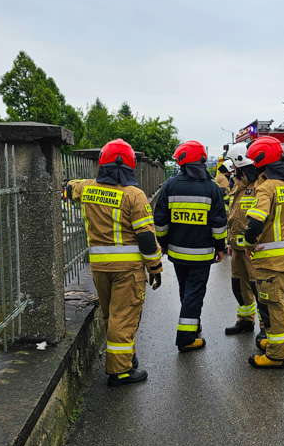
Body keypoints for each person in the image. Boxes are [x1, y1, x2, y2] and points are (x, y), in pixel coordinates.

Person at [70, 139, 162, 387]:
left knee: (113, 315)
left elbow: (69, 188)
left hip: (99, 267)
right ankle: (120, 371)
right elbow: (146, 238)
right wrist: (155, 268)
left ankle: (126, 357)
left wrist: (73, 185)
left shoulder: (87, 188)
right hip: (128, 270)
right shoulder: (134, 195)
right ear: (130, 165)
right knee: (125, 316)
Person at [241, 136, 284, 369]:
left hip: (269, 262)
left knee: (273, 306)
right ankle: (274, 344)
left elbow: (255, 224)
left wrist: (250, 244)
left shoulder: (266, 187)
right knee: (282, 304)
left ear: (262, 161)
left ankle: (277, 355)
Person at [153, 140, 228, 353]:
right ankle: (186, 338)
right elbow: (219, 224)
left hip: (177, 253)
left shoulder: (170, 185)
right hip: (202, 254)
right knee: (194, 292)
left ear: (183, 163)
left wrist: (164, 244)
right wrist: (220, 247)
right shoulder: (212, 189)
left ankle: (192, 322)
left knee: (186, 290)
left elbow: (160, 221)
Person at [223, 142, 269, 342]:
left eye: (234, 165)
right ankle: (245, 320)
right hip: (237, 248)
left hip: (254, 249)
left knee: (259, 289)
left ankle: (265, 327)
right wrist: (229, 242)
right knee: (238, 286)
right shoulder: (238, 185)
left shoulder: (261, 185)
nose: (232, 169)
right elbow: (234, 216)